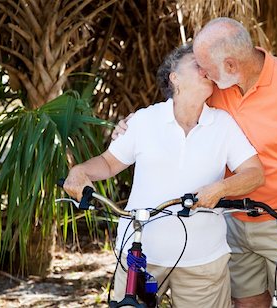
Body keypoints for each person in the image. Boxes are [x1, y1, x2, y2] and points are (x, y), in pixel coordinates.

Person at [112, 17, 277, 308]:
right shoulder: (218, 86)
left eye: (206, 67)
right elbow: (177, 108)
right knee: (246, 304)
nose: (203, 73)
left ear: (230, 65)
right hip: (233, 220)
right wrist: (129, 126)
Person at [63, 43, 265, 308]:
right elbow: (109, 163)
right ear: (174, 76)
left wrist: (219, 189)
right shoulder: (144, 121)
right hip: (140, 252)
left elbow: (255, 173)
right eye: (197, 63)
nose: (205, 68)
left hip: (202, 261)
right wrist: (79, 171)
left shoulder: (223, 124)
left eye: (208, 64)